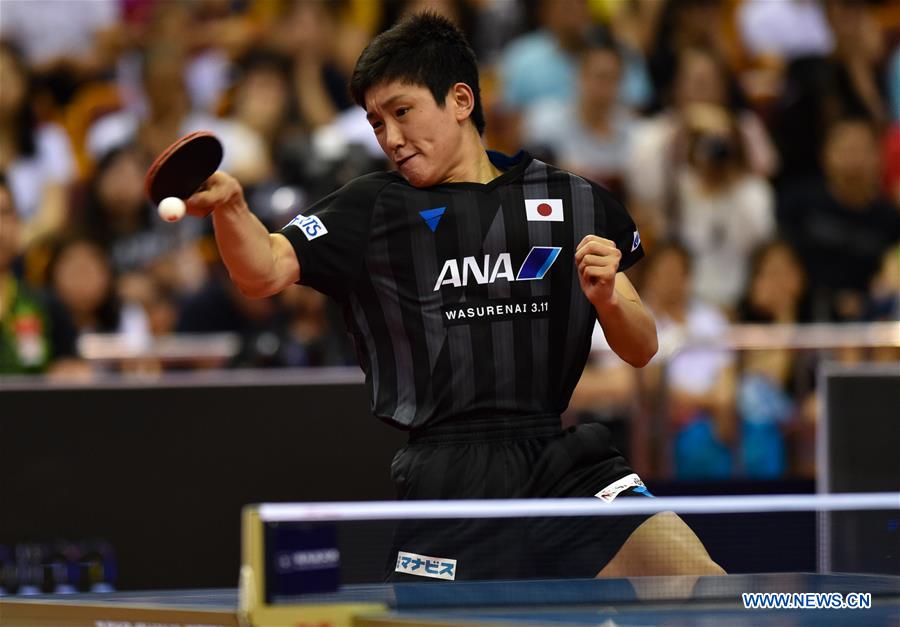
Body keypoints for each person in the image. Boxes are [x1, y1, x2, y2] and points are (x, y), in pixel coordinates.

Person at [183, 12, 723, 581]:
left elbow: (641, 348)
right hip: (449, 477)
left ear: (461, 100)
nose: (390, 137)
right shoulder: (370, 209)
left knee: (702, 585)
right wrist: (232, 210)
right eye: (376, 123)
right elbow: (262, 270)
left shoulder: (572, 201)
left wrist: (611, 299)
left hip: (563, 463)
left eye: (402, 112)